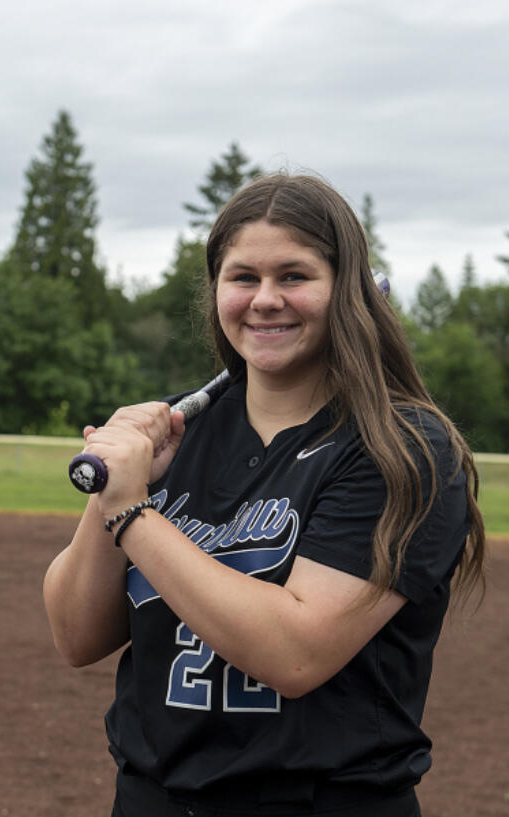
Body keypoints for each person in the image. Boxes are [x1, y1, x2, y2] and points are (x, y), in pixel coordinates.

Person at [43, 172, 485, 816]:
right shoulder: (176, 434)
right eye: (243, 277)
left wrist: (133, 511)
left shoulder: (401, 449)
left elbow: (296, 653)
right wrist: (112, 483)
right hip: (152, 799)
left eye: (295, 276)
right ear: (217, 291)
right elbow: (77, 636)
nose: (265, 299)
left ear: (347, 293)